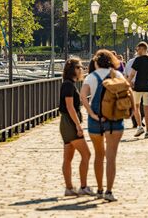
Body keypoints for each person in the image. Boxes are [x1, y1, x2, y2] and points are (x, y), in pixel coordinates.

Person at [80, 49, 139, 202]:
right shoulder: (117, 75)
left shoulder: (91, 77)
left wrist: (91, 113)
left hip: (96, 120)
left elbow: (82, 96)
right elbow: (129, 91)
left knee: (99, 155)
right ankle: (109, 191)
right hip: (115, 118)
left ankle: (99, 189)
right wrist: (131, 110)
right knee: (111, 157)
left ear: (96, 62)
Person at [59, 58, 93, 196]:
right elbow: (70, 106)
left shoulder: (68, 84)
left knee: (68, 157)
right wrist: (78, 126)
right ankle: (83, 186)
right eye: (80, 67)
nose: (82, 70)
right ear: (74, 70)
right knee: (86, 154)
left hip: (66, 123)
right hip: (70, 123)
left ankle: (69, 188)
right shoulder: (68, 85)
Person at [127, 42, 148, 139]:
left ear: (142, 49)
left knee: (135, 107)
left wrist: (127, 83)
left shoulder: (138, 60)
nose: (137, 51)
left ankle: (139, 126)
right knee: (147, 111)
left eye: (138, 49)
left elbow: (132, 74)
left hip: (138, 88)